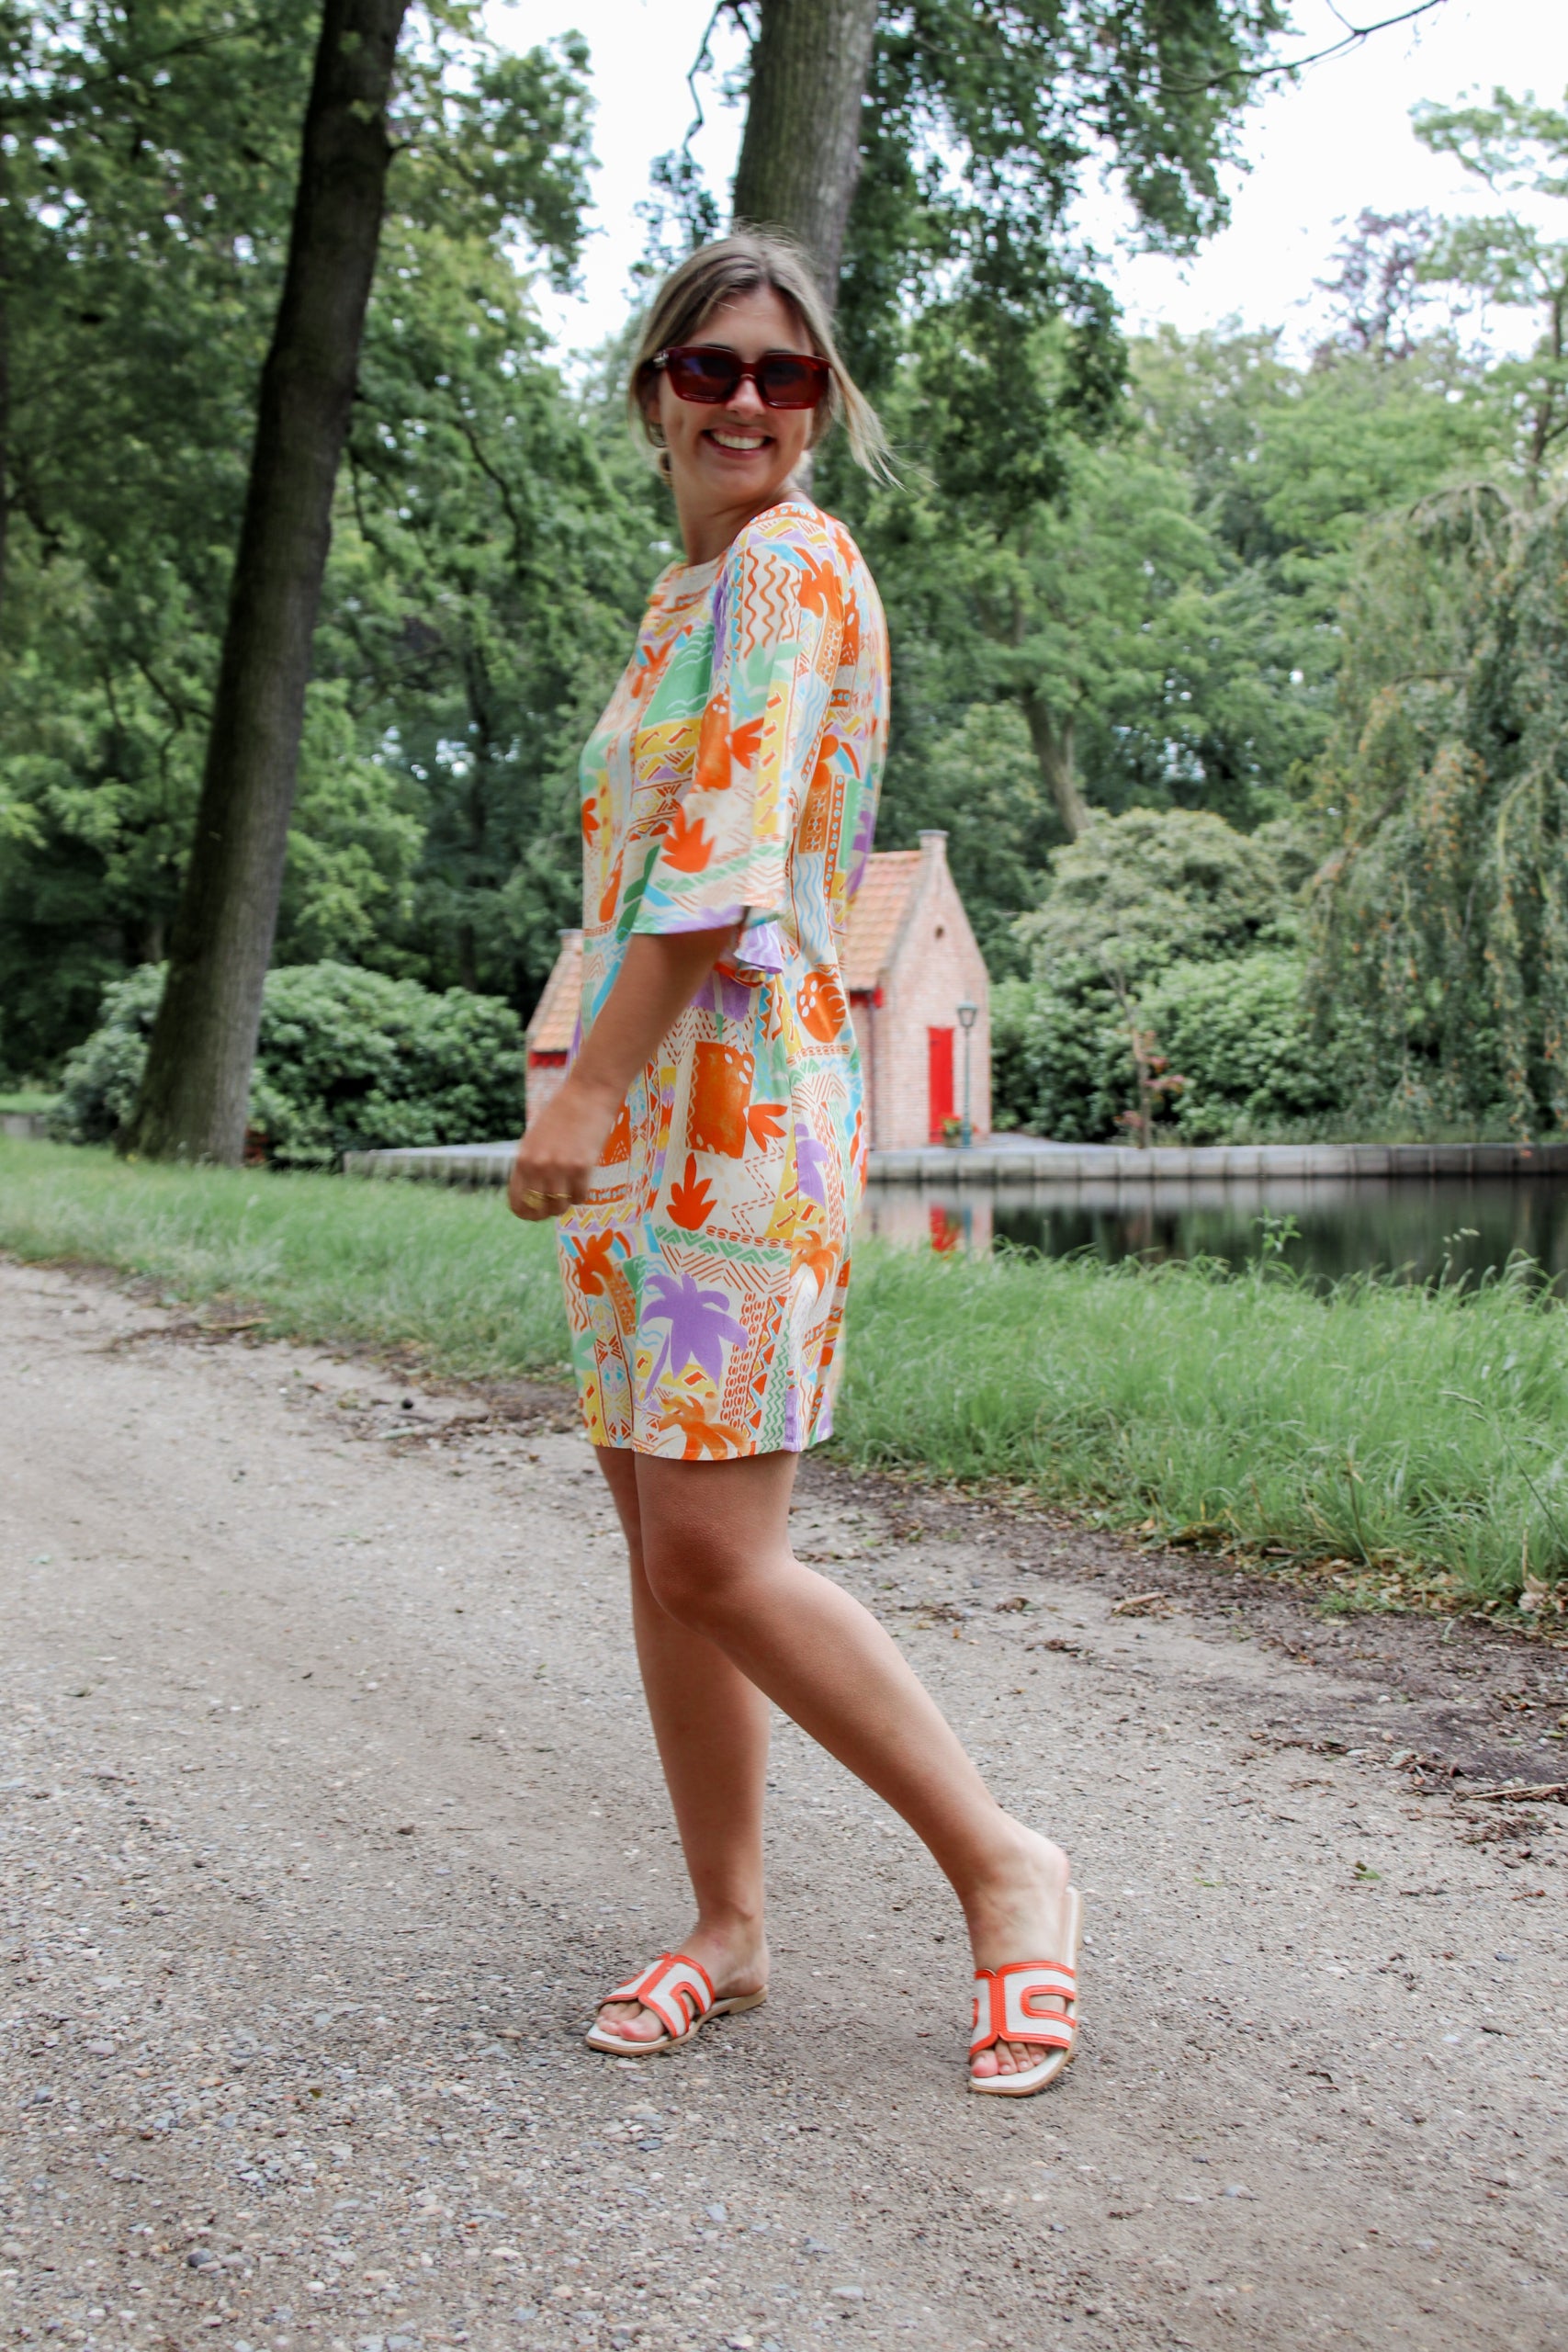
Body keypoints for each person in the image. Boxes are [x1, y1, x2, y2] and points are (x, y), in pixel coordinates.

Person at [509, 232, 1079, 2097]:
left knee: (713, 1550)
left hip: (738, 1113)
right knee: (659, 1548)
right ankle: (729, 1925)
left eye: (785, 373)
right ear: (654, 395)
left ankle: (1004, 1865)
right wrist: (595, 1092)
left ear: (819, 406)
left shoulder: (787, 565)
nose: (746, 400)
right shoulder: (679, 598)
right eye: (710, 367)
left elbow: (719, 872)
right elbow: (632, 873)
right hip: (646, 1122)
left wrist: (584, 1091)